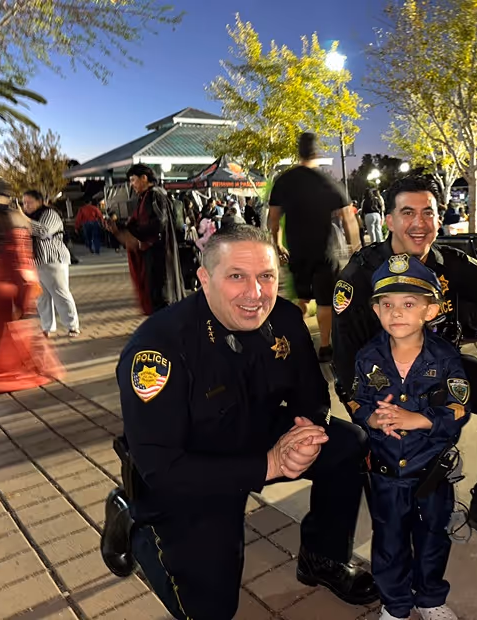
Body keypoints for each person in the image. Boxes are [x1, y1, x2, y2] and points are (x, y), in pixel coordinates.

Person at [99, 225, 377, 619]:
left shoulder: (283, 318)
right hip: (190, 468)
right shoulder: (158, 348)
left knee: (347, 444)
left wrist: (304, 434)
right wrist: (268, 465)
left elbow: (311, 395)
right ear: (204, 279)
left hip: (258, 433)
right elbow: (162, 467)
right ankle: (134, 520)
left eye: (266, 276)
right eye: (236, 277)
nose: (255, 293)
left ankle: (322, 558)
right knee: (212, 609)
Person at [333, 175, 477, 553]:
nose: (419, 224)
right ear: (388, 220)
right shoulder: (360, 275)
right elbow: (345, 356)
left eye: (428, 213)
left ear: (440, 218)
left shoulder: (451, 263)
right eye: (407, 213)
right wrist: (365, 409)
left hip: (442, 372)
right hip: (383, 382)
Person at [350, 254, 470, 620]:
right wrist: (373, 418)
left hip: (431, 472)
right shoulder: (368, 356)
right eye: (387, 304)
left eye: (408, 303)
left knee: (434, 538)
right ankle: (396, 603)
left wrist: (417, 420)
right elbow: (357, 399)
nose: (396, 312)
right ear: (376, 311)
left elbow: (458, 409)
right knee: (389, 544)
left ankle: (431, 597)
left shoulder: (446, 357)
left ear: (430, 311)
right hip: (386, 473)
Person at [268, 132, 361, 362]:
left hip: (297, 251)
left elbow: (273, 219)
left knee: (301, 299)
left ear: (298, 152)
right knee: (324, 301)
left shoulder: (284, 180)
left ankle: (297, 342)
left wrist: (277, 244)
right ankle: (325, 346)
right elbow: (348, 218)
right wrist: (355, 249)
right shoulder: (326, 181)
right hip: (324, 251)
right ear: (316, 152)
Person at [0, 178, 63, 392]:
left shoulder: (42, 215)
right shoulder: (14, 220)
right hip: (7, 285)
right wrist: (27, 295)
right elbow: (21, 263)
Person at [108, 164, 184, 315]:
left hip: (159, 255)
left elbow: (158, 224)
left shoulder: (155, 195)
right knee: (156, 295)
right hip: (154, 253)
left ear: (144, 178)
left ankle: (165, 333)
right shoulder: (147, 196)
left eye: (133, 180)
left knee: (161, 296)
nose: (132, 185)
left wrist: (133, 232)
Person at [17, 190, 80, 337]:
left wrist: (21, 217)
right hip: (35, 261)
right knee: (41, 297)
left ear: (39, 202)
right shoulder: (26, 217)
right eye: (24, 203)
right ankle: (47, 327)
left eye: (29, 202)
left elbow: (43, 231)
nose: (26, 206)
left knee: (60, 293)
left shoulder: (49, 214)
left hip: (52, 259)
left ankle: (72, 325)